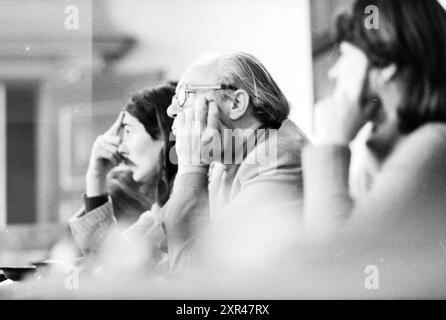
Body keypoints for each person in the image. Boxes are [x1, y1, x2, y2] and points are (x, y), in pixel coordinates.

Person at [303, 0, 446, 239]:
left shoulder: (434, 145)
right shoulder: (382, 146)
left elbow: (337, 259)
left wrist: (331, 143)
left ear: (386, 63)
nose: (333, 71)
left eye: (346, 54)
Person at [159, 52, 309, 270]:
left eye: (185, 95)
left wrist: (190, 164)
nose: (171, 110)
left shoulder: (279, 160)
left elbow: (195, 273)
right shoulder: (226, 161)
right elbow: (156, 247)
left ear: (235, 102)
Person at [69, 82, 177, 255]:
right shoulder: (158, 213)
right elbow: (109, 260)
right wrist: (96, 177)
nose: (121, 148)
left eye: (129, 132)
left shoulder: (186, 208)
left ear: (166, 134)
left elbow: (110, 266)